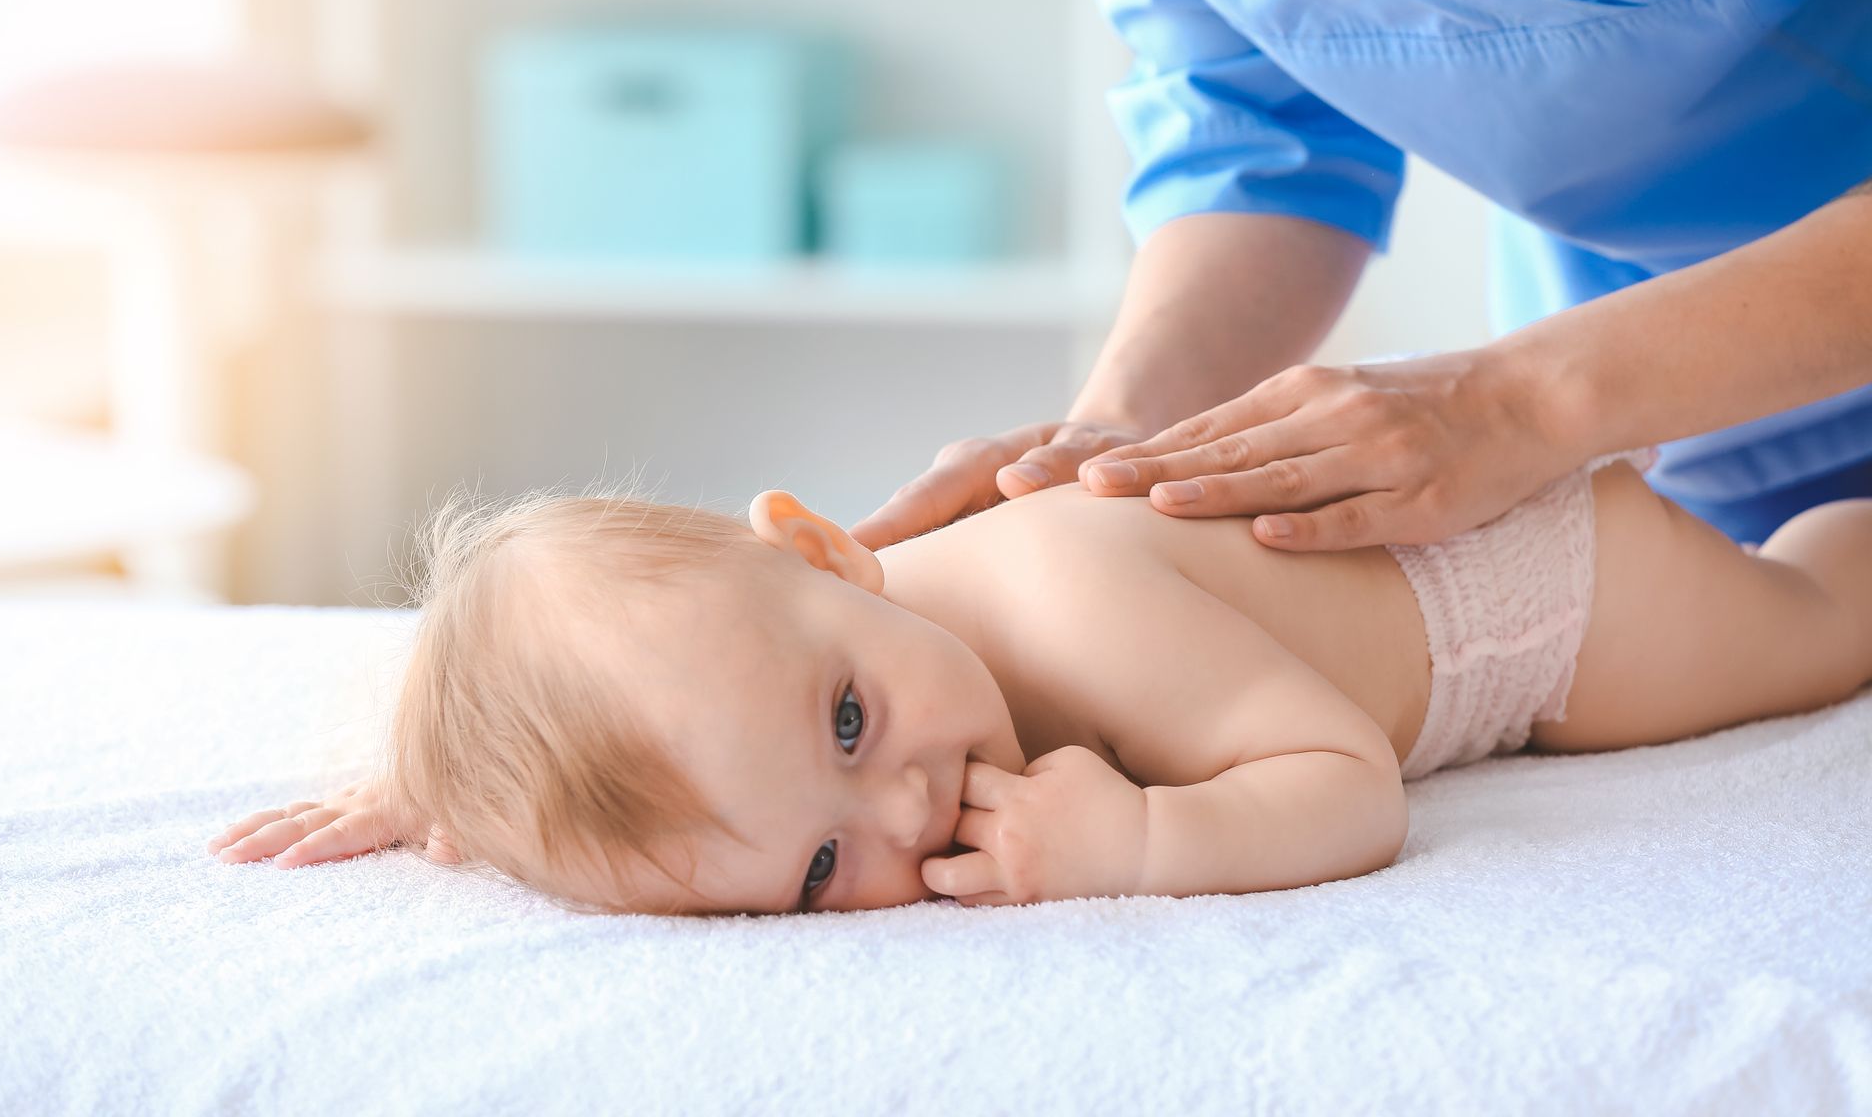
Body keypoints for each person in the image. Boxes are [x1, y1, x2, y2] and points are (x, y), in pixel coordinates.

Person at [209, 459, 1872, 914]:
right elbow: (643, 763)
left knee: (1810, 618)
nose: (904, 809)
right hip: (1469, 593)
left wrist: (1145, 845)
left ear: (830, 551)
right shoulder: (785, 658)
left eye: (850, 725)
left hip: (1534, 599)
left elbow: (1344, 778)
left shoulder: (1064, 604)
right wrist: (449, 790)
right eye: (813, 875)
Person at [851, 0, 1872, 558]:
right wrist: (1121, 440)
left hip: (1607, 390)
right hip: (1678, 438)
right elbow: (1259, 138)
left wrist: (1520, 402)